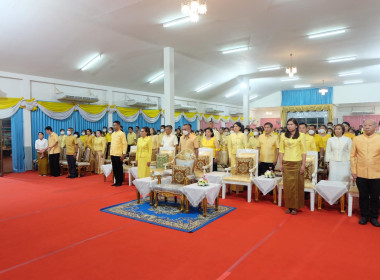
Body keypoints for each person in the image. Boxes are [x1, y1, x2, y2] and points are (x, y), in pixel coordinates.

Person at [350, 119, 380, 227]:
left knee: (375, 197)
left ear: (375, 127)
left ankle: (374, 217)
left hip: (377, 173)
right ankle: (364, 215)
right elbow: (352, 156)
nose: (367, 127)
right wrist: (353, 171)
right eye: (365, 125)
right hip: (361, 172)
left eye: (370, 125)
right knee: (363, 196)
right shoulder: (357, 139)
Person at [279, 118, 306, 215]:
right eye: (288, 124)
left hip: (297, 162)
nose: (289, 126)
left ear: (296, 126)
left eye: (291, 124)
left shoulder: (301, 136)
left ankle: (295, 207)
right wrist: (281, 164)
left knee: (296, 185)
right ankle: (289, 206)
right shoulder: (283, 135)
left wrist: (303, 165)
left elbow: (303, 151)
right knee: (287, 186)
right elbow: (281, 150)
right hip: (286, 162)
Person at [110, 121, 128, 187]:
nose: (114, 126)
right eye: (113, 125)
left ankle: (120, 181)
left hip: (119, 154)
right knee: (114, 168)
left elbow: (124, 144)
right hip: (113, 153)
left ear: (119, 126)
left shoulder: (122, 133)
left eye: (115, 125)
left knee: (119, 168)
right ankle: (116, 181)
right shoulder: (113, 134)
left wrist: (123, 154)